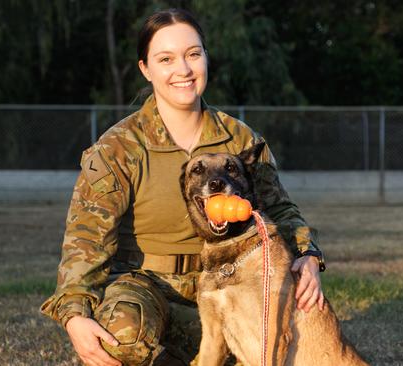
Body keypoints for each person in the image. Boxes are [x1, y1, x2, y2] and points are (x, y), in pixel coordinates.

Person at [40, 8, 327, 366]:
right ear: (145, 68)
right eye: (166, 59)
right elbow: (86, 238)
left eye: (193, 54)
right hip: (146, 287)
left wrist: (308, 255)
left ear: (206, 57)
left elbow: (281, 210)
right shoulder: (119, 147)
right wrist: (75, 313)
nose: (184, 70)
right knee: (122, 335)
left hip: (230, 283)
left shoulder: (239, 139)